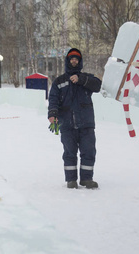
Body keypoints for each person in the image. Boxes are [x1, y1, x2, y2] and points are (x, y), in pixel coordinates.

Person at [48, 48, 102, 189]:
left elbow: (98, 86)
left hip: (86, 124)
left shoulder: (87, 78)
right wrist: (52, 114)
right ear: (67, 61)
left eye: (76, 59)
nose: (74, 60)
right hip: (67, 124)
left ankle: (86, 179)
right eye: (71, 58)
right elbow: (53, 98)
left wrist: (81, 80)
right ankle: (71, 180)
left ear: (80, 61)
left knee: (88, 151)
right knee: (69, 152)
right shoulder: (59, 81)